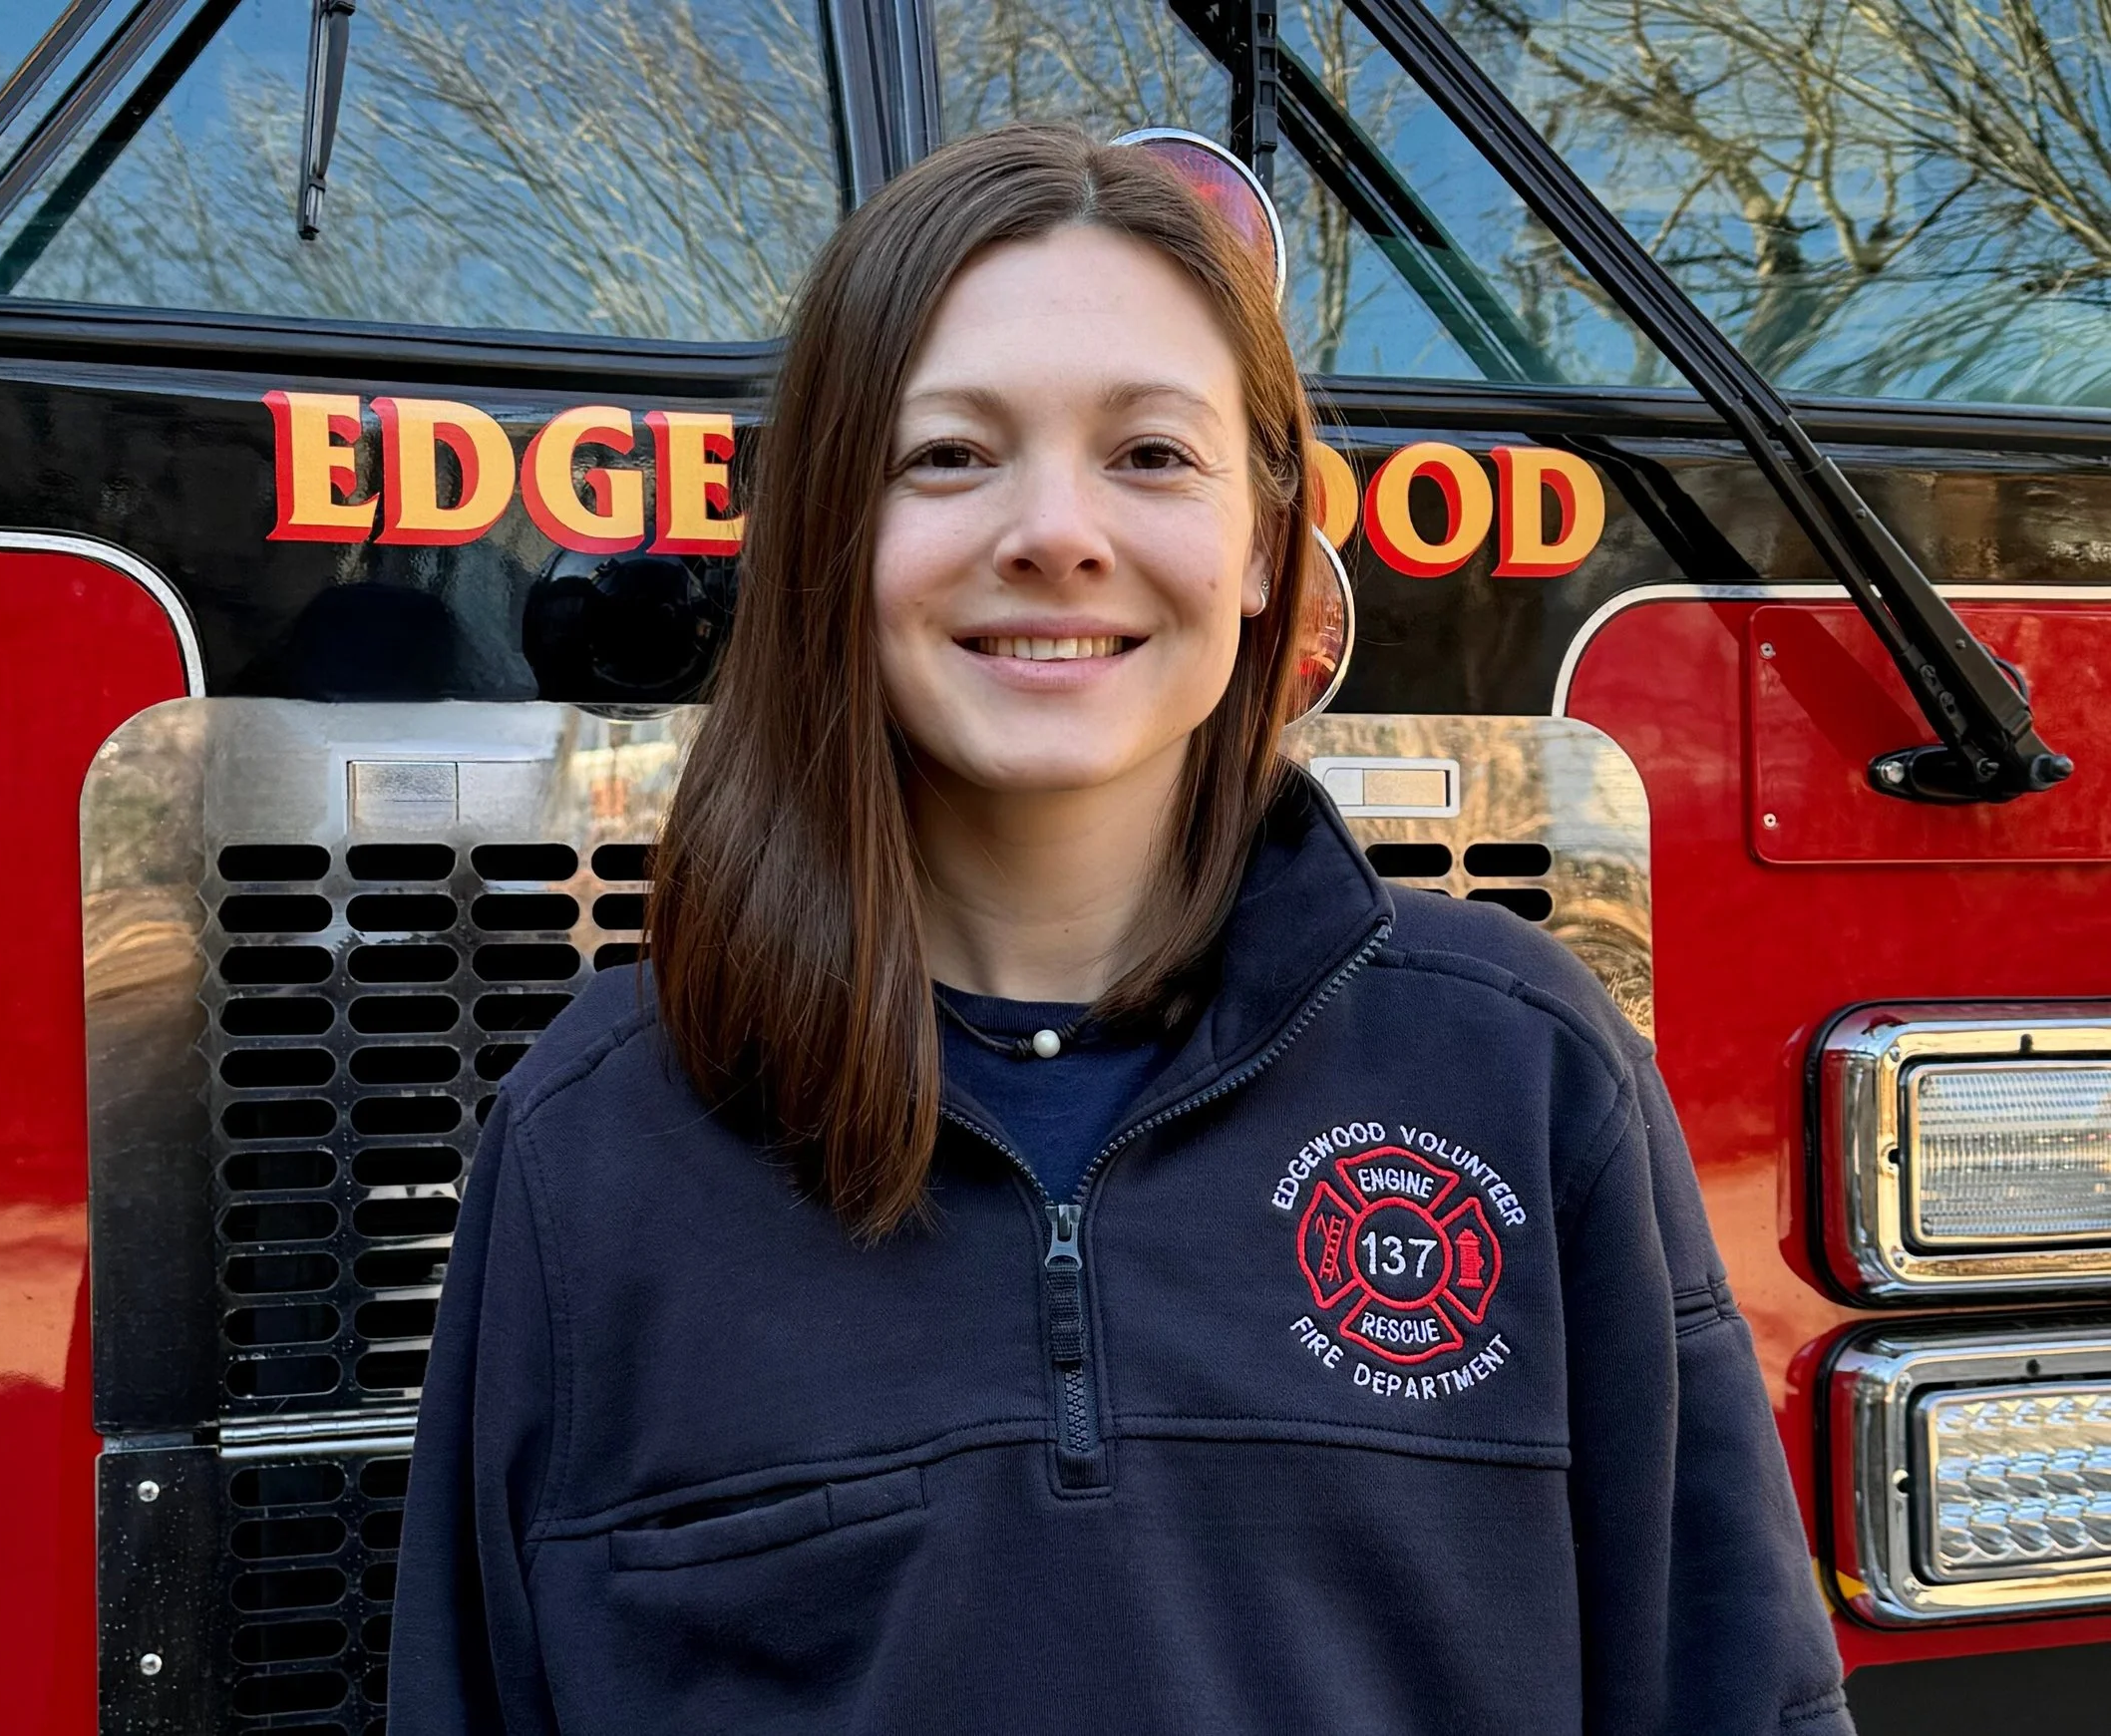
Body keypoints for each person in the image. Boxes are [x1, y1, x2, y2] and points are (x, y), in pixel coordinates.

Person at [390, 124, 1852, 1735]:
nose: (1056, 532)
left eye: (1151, 454)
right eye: (949, 455)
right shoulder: (595, 1141)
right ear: (826, 537)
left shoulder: (1522, 1067)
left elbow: (1732, 1695)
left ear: (1263, 549)